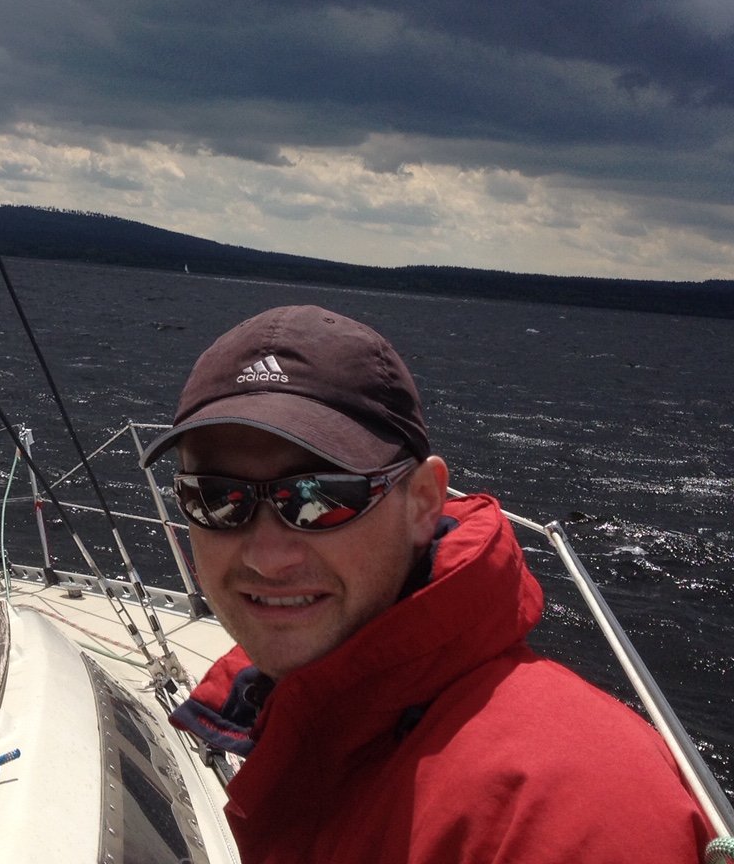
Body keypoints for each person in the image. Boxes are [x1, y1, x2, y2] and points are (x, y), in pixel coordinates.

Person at [140, 304, 715, 863]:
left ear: (422, 503)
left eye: (319, 498)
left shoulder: (564, 805)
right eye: (215, 499)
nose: (267, 558)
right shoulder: (307, 720)